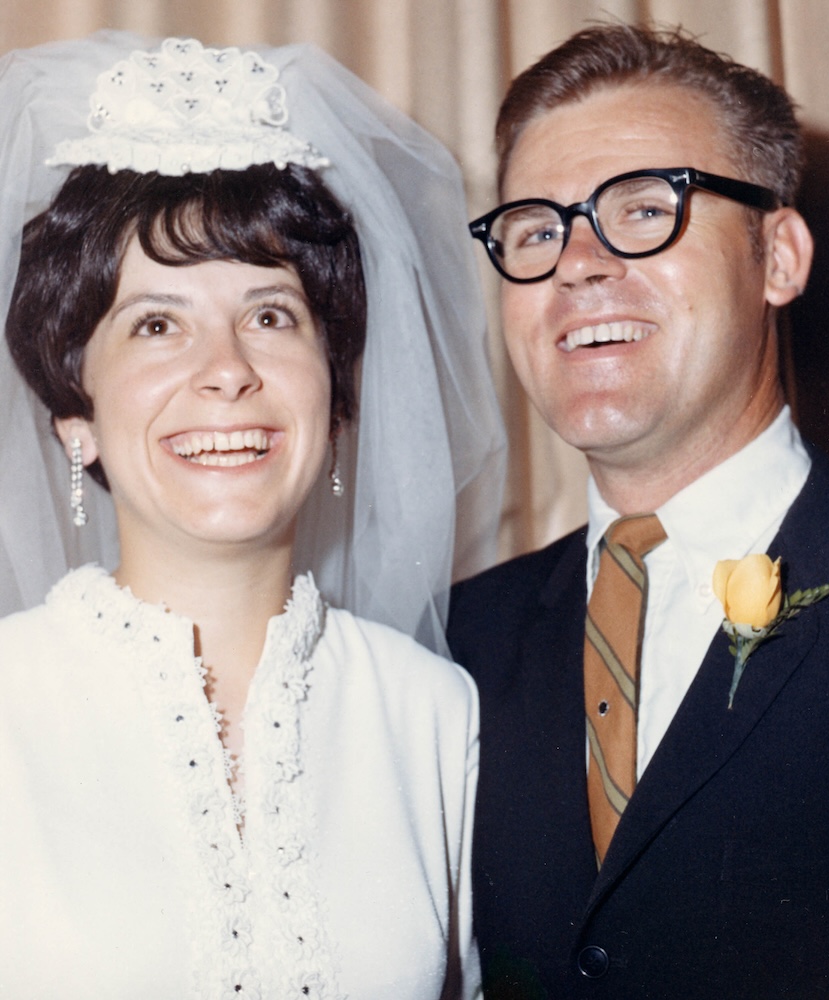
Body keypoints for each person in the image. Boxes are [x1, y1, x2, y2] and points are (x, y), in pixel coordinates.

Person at [0, 33, 505, 999]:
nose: (226, 369)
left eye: (272, 315)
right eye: (157, 323)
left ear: (336, 390)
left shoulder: (432, 713)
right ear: (76, 416)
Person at [447, 23, 829, 1000]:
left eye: (642, 209)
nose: (576, 263)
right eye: (537, 228)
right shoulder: (451, 643)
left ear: (779, 256)